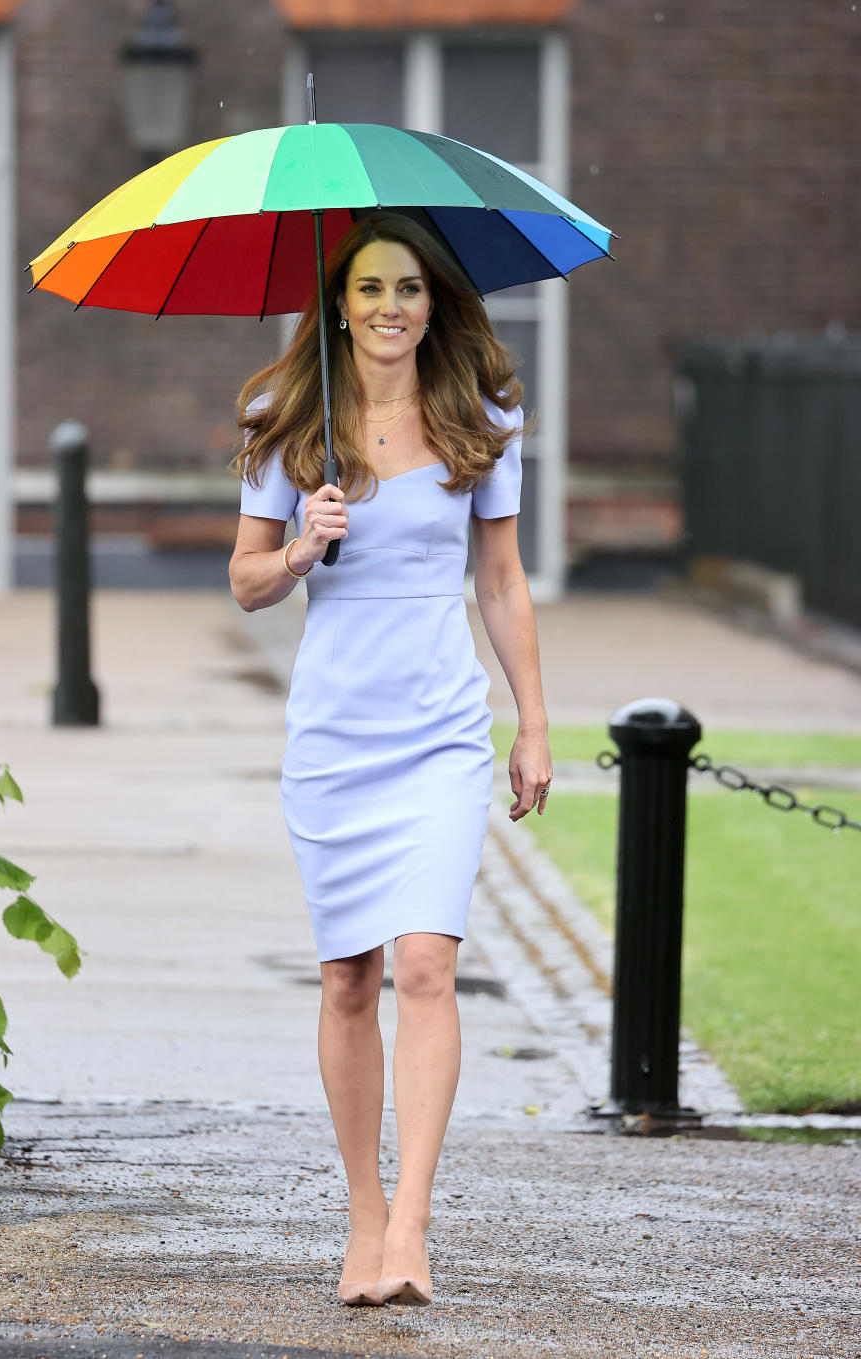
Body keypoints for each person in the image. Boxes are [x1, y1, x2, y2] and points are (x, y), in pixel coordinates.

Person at [228, 211, 552, 1308]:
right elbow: (245, 582)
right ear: (338, 302)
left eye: (408, 289)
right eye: (368, 288)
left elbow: (501, 582)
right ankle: (362, 1217)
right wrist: (301, 545)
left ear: (434, 303)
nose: (388, 308)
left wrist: (535, 723)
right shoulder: (289, 419)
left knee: (424, 962)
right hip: (333, 735)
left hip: (440, 733)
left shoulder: (482, 413)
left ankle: (411, 1222)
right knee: (348, 978)